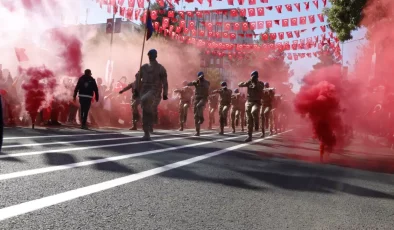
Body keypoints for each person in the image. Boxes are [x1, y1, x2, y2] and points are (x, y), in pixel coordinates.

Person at [134, 49, 168, 141]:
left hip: (155, 91)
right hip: (144, 90)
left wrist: (165, 93)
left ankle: (150, 123)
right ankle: (147, 130)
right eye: (149, 55)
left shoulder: (161, 68)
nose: (150, 56)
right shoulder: (144, 67)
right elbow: (137, 77)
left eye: (152, 55)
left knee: (146, 102)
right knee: (145, 109)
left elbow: (165, 82)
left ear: (156, 56)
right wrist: (136, 89)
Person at [238, 70, 265, 142]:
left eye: (255, 76)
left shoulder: (260, 83)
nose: (254, 77)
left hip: (256, 102)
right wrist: (248, 81)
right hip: (249, 102)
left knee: (254, 111)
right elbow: (240, 84)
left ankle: (256, 123)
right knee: (248, 120)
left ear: (257, 77)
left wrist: (255, 83)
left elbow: (260, 88)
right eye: (253, 76)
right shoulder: (249, 82)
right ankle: (249, 136)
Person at [187, 71, 210, 136]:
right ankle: (197, 131)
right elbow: (189, 84)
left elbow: (207, 86)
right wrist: (194, 82)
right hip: (196, 99)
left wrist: (200, 82)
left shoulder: (206, 82)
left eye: (202, 76)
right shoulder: (196, 81)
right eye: (200, 76)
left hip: (203, 98)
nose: (201, 77)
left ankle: (202, 118)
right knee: (195, 116)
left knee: (198, 106)